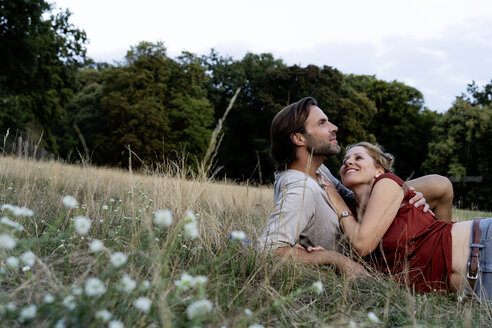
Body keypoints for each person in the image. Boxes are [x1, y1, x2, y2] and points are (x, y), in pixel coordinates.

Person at [258, 97, 453, 279]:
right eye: (322, 123)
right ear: (299, 139)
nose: (334, 127)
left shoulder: (318, 171)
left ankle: (443, 243)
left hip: (388, 243)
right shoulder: (301, 189)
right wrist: (334, 259)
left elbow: (353, 198)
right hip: (374, 255)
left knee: (440, 187)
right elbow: (268, 249)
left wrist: (401, 191)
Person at [322, 141, 491, 300]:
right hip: (476, 288)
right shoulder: (354, 219)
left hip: (482, 245)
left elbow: (363, 244)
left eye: (358, 157)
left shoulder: (386, 183)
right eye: (344, 162)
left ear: (379, 170)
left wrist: (336, 199)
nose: (348, 162)